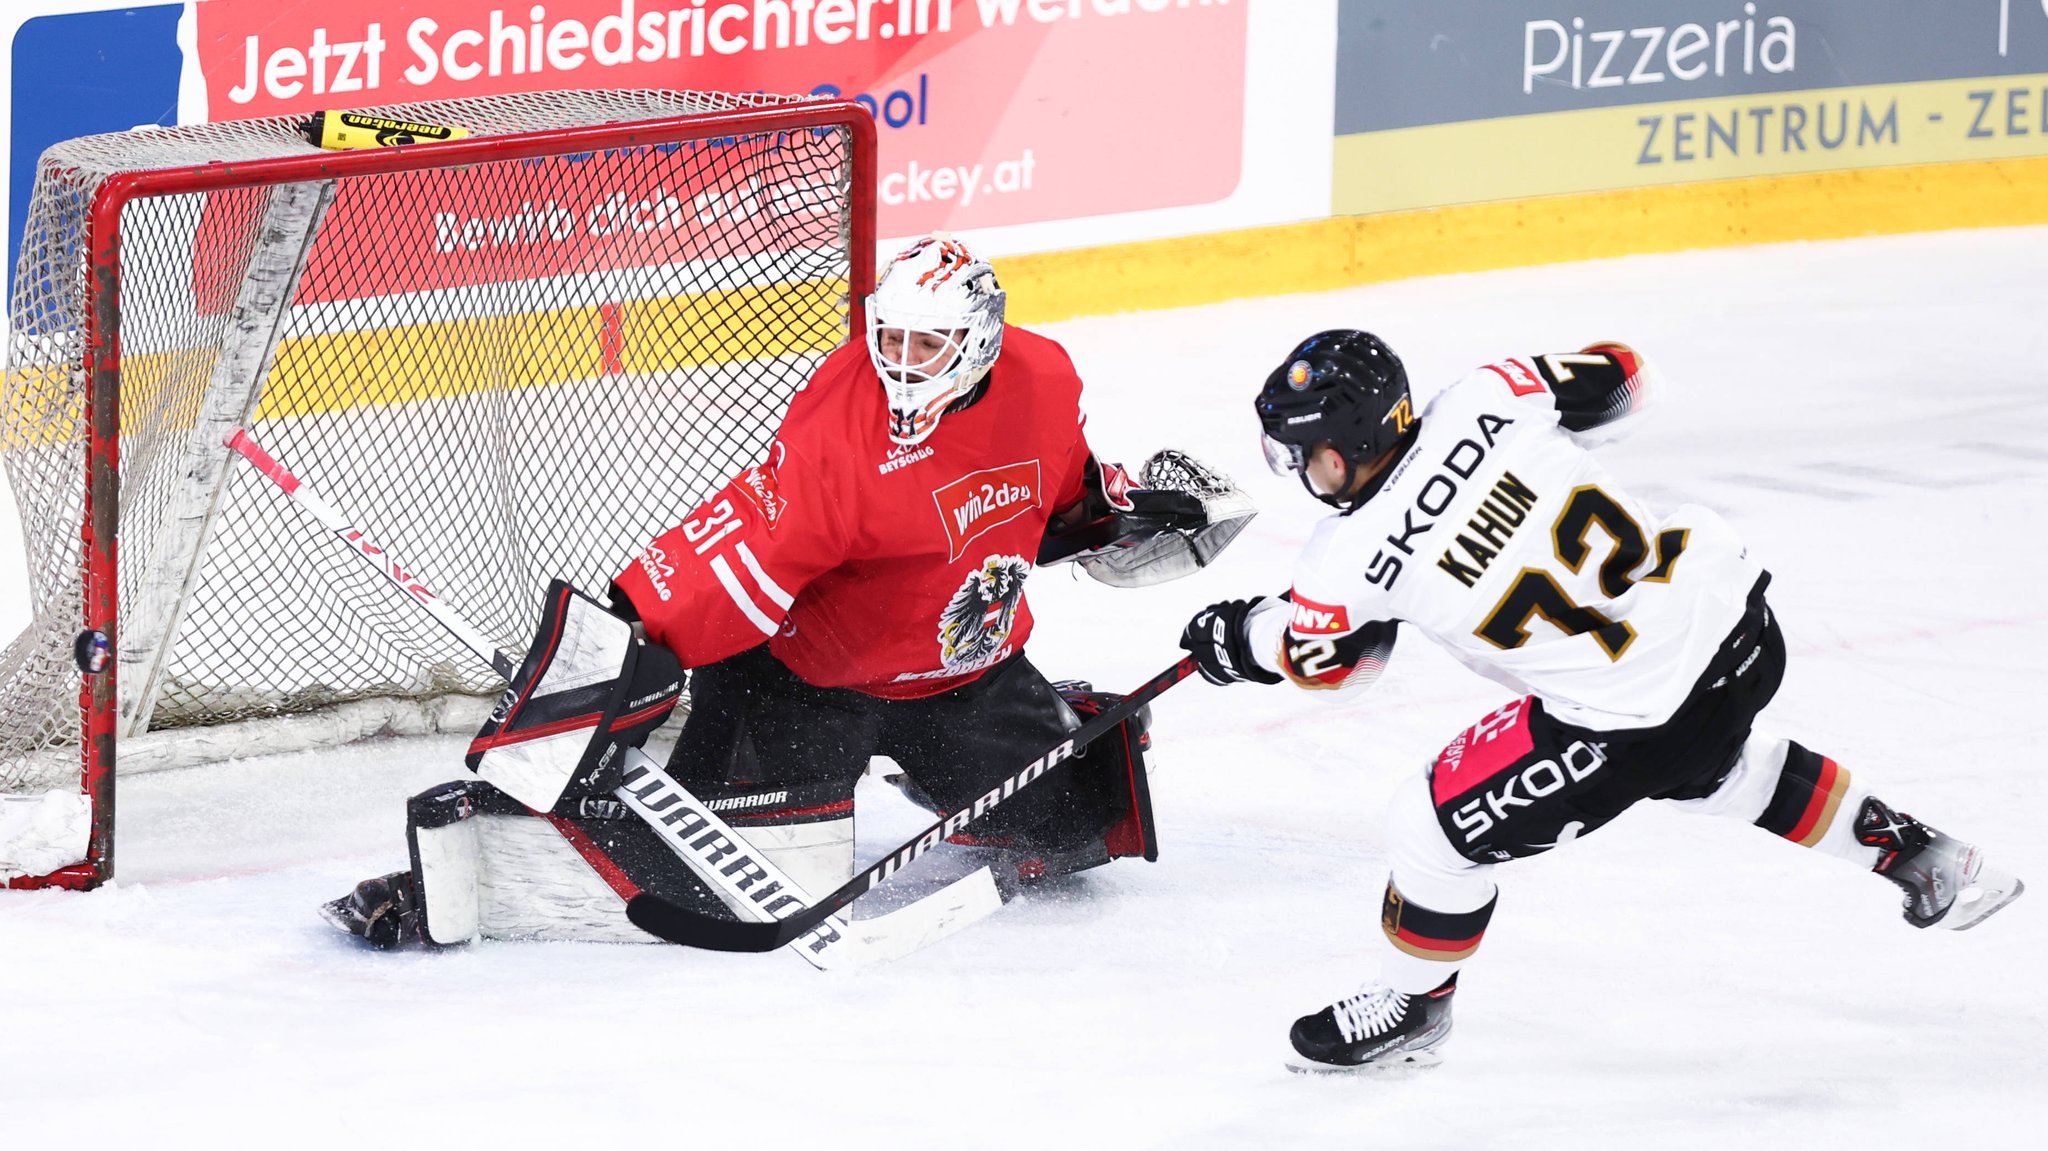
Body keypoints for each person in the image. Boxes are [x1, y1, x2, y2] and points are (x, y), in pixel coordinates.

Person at [323, 234, 1251, 947]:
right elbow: (717, 567)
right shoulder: (837, 439)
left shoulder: (1044, 376)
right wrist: (623, 644)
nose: (901, 360)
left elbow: (1045, 496)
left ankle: (1047, 715)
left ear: (981, 341)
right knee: (734, 879)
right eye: (888, 335)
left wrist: (1120, 508)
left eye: (929, 344)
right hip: (811, 681)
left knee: (1075, 827)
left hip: (964, 669)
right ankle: (485, 858)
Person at [1177, 330, 2024, 1074]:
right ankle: (1924, 856)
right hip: (1740, 628)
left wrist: (1238, 637)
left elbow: (1337, 667)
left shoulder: (1346, 559)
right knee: (1710, 760)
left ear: (1343, 447)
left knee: (1427, 831)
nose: (1303, 471)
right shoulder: (1486, 393)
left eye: (1307, 453)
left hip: (1638, 714)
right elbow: (1623, 376)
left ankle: (1415, 1006)